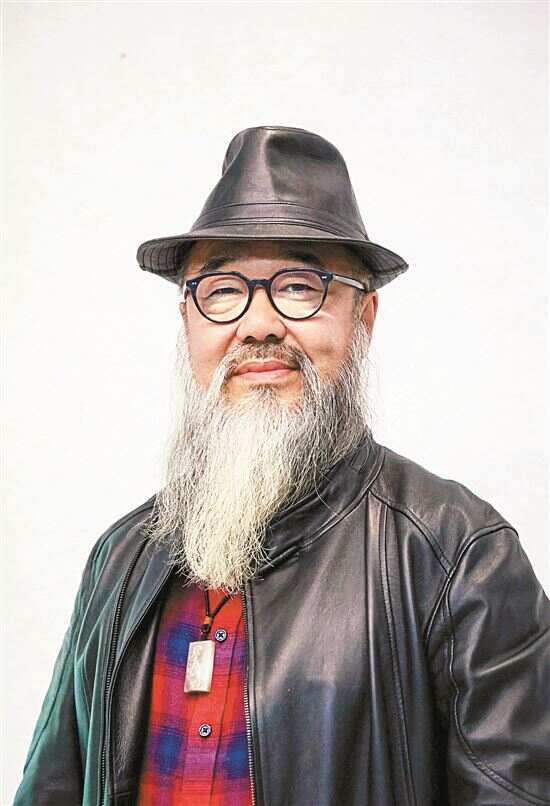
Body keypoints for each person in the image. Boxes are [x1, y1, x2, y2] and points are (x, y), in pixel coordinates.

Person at [14, 126, 550, 806]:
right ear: (188, 322)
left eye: (300, 286)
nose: (259, 324)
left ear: (364, 318)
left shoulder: (456, 554)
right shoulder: (120, 559)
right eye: (222, 289)